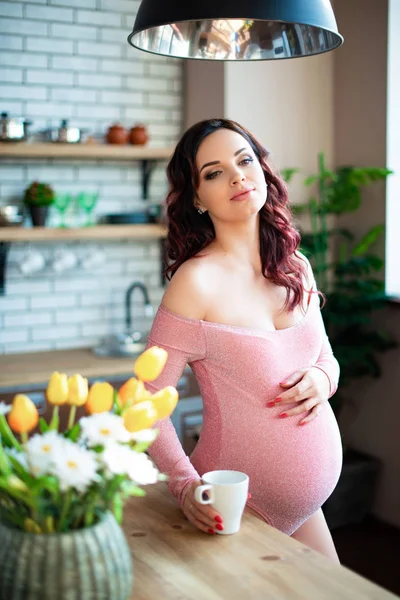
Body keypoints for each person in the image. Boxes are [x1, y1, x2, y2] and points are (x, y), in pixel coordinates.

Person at [145, 118, 342, 563]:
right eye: (214, 172)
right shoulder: (196, 282)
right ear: (197, 197)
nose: (236, 175)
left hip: (307, 508)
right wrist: (185, 486)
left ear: (262, 172)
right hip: (235, 507)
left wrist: (321, 378)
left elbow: (326, 358)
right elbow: (145, 402)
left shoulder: (296, 266)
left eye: (244, 160)